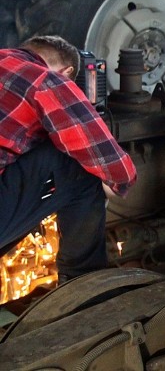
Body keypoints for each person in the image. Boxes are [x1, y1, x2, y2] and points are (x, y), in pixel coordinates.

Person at [0, 35, 137, 281]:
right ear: (68, 71)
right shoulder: (45, 79)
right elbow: (116, 166)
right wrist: (118, 183)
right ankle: (81, 283)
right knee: (79, 164)